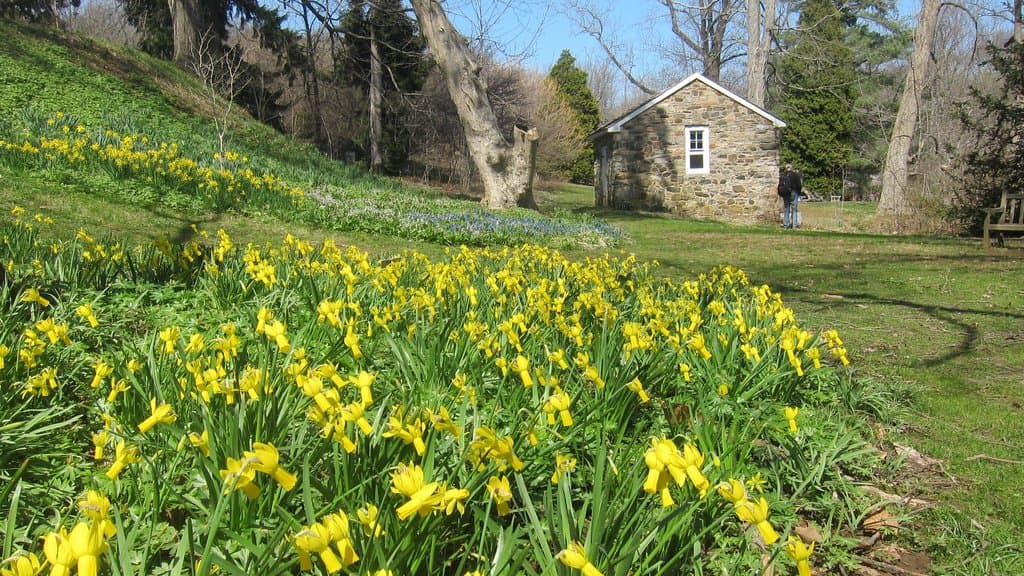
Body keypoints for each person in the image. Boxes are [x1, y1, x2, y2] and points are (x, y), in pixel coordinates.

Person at [778, 163, 803, 229]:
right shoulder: (795, 175)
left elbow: (780, 185)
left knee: (786, 209)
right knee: (794, 209)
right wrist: (798, 193)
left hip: (786, 194)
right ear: (792, 168)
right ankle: (794, 225)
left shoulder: (783, 175)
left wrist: (781, 194)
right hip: (794, 193)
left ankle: (786, 225)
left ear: (786, 168)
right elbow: (799, 185)